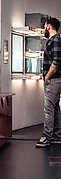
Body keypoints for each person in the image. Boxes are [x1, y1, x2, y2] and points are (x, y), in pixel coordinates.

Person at [36, 18, 61, 147]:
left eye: (45, 26)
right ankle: (57, 136)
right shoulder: (53, 40)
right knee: (55, 107)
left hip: (53, 79)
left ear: (49, 27)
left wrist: (47, 76)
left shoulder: (55, 40)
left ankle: (46, 136)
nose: (44, 28)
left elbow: (56, 61)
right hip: (54, 79)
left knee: (49, 108)